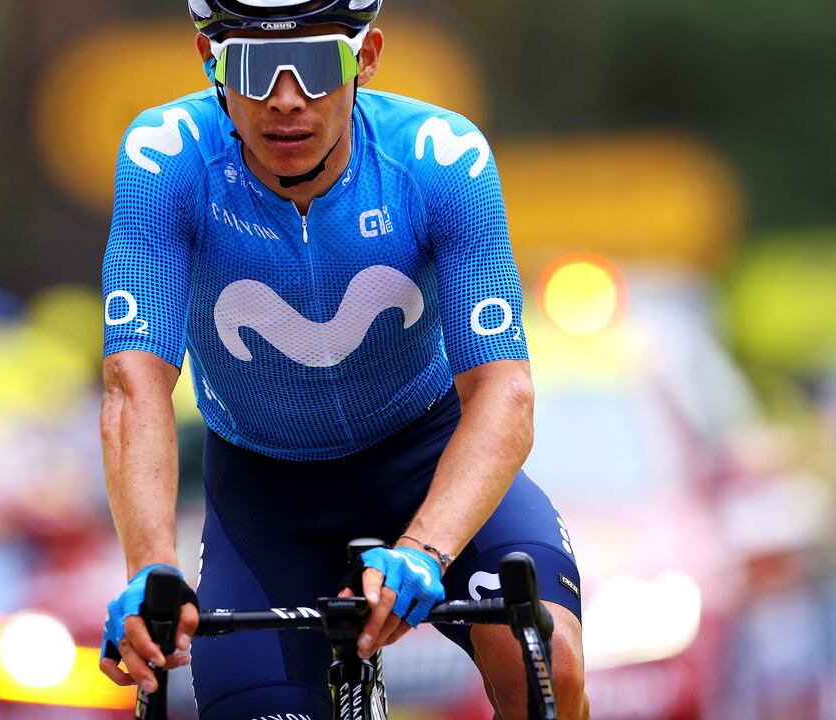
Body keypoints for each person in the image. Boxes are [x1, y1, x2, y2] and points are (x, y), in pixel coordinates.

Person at [98, 2, 589, 718]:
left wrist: (425, 548)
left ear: (368, 57)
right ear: (211, 63)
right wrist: (150, 567)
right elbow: (134, 384)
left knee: (543, 663)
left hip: (423, 458)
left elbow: (503, 392)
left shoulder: (439, 158)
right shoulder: (166, 159)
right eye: (254, 68)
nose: (286, 98)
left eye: (316, 63)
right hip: (267, 497)